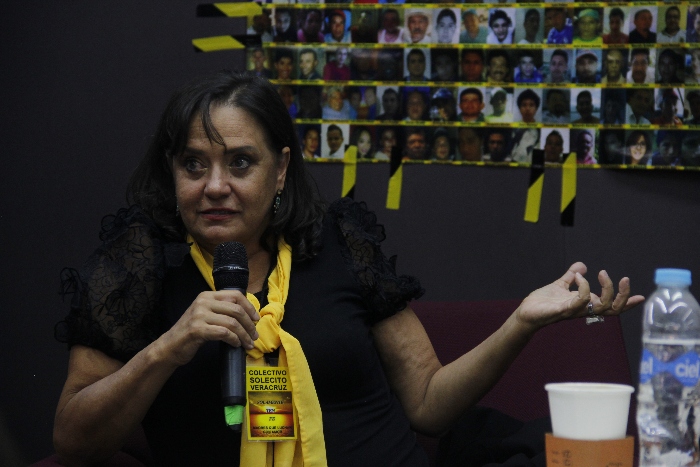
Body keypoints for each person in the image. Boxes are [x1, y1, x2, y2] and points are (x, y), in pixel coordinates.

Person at [53, 71, 643, 467]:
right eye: (193, 164)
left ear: (280, 170)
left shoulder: (335, 243)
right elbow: (73, 439)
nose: (214, 186)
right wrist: (169, 346)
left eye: (240, 163)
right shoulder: (140, 264)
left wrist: (521, 322)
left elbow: (429, 403)